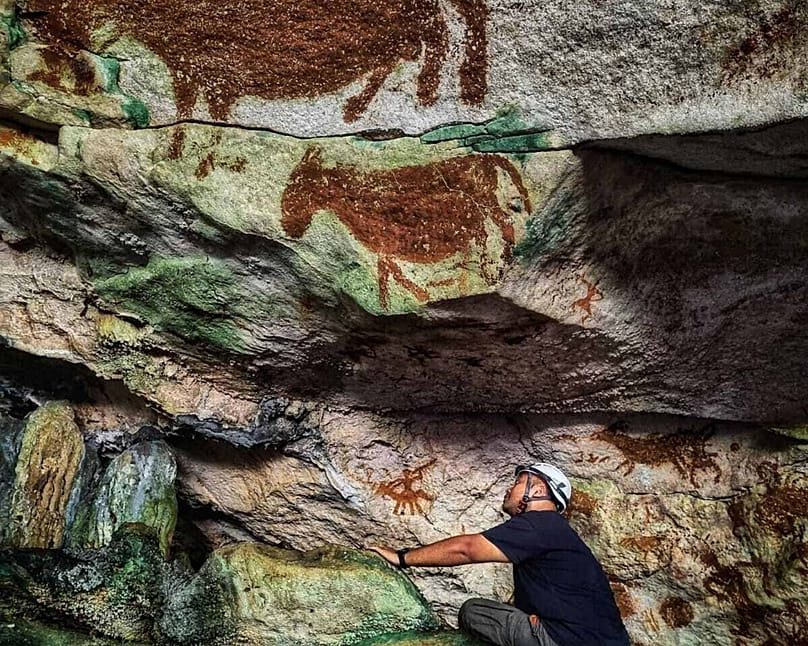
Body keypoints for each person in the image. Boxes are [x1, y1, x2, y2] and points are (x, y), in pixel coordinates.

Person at [370, 463, 629, 646]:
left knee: (473, 611)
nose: (509, 489)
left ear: (538, 491)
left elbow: (467, 549)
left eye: (518, 482)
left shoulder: (539, 524)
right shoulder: (557, 531)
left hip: (565, 641)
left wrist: (401, 558)